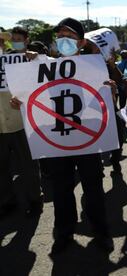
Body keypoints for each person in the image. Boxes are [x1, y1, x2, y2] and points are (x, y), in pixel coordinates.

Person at [11, 18, 113, 254]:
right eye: (60, 36)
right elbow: (30, 94)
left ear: (82, 42)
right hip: (57, 141)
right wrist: (20, 101)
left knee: (93, 189)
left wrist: (110, 93)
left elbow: (103, 104)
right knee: (61, 190)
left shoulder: (95, 68)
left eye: (70, 36)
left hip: (88, 140)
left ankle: (101, 233)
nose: (64, 41)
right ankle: (64, 233)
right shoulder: (43, 66)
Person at [0, 27, 43, 218]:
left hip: (22, 123)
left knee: (28, 165)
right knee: (2, 166)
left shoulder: (30, 59)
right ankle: (7, 200)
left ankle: (34, 199)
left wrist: (37, 59)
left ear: (26, 40)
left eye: (19, 39)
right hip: (1, 124)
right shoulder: (5, 58)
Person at [83, 28, 125, 174]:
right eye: (93, 45)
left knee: (120, 133)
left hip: (110, 105)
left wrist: (112, 65)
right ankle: (97, 167)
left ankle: (115, 160)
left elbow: (120, 80)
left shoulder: (107, 62)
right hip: (90, 107)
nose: (96, 47)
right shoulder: (81, 61)